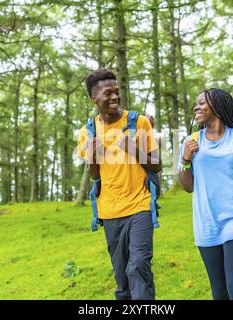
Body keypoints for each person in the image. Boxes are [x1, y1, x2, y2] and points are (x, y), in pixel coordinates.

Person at [77, 69, 161, 300]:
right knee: (122, 278)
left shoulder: (139, 122)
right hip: (110, 210)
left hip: (140, 206)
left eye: (117, 91)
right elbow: (96, 176)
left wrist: (133, 148)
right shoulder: (87, 133)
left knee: (139, 266)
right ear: (94, 98)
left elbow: (156, 164)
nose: (114, 97)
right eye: (108, 93)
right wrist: (93, 157)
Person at [178, 87, 233, 300]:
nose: (196, 107)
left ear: (217, 105)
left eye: (201, 102)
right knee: (219, 291)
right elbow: (188, 187)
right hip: (206, 223)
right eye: (195, 104)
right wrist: (186, 160)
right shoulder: (191, 141)